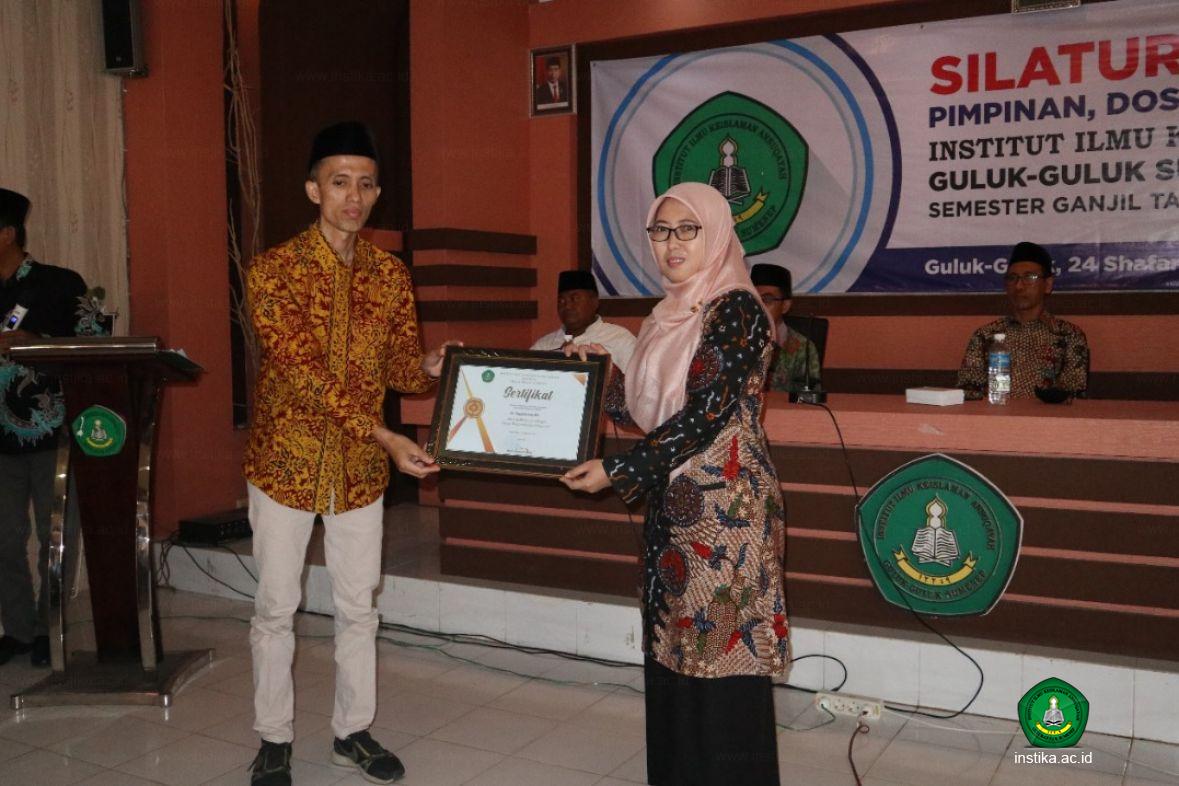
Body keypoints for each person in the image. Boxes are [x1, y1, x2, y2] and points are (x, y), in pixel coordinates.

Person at [243, 122, 450, 786]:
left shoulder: (390, 275)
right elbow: (301, 372)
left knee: (359, 606)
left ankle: (351, 732)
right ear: (314, 190)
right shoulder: (273, 271)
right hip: (285, 463)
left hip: (358, 473)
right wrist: (385, 436)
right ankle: (273, 739)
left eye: (365, 184)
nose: (353, 196)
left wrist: (430, 365)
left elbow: (400, 370)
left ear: (377, 192)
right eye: (339, 183)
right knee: (277, 607)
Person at [562, 182, 786, 785]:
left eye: (688, 229)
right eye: (660, 231)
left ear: (716, 233)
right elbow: (651, 410)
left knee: (723, 655)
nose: (671, 243)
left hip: (726, 514)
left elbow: (705, 412)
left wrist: (620, 470)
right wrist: (602, 377)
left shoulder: (735, 308)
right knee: (674, 649)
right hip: (675, 508)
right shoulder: (667, 315)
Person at [0, 187, 98, 669]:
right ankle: (18, 631)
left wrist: (34, 341)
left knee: (55, 537)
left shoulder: (60, 284)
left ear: (7, 234)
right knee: (4, 540)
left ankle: (49, 629)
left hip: (52, 433)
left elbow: (95, 344)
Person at [957, 241, 1089, 400]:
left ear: (1048, 284)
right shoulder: (986, 335)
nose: (1019, 286)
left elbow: (1073, 394)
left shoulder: (1068, 335)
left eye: (1029, 277)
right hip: (994, 414)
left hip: (1047, 416)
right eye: (1012, 278)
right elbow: (968, 390)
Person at [530, 270, 637, 372]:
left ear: (594, 302)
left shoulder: (620, 339)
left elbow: (636, 382)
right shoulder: (544, 345)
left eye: (575, 299)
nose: (567, 306)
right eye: (561, 301)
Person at [750, 262, 821, 393]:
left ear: (785, 306)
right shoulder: (739, 342)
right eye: (754, 299)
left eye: (767, 300)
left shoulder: (803, 348)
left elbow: (809, 397)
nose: (759, 307)